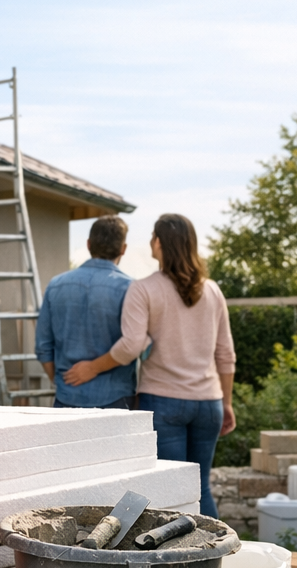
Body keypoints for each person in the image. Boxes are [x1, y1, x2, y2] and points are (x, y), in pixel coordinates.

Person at [63, 213, 236, 518]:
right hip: (209, 404)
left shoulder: (143, 289)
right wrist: (228, 402)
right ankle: (215, 559)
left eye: (152, 237)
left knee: (171, 491)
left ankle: (175, 562)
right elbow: (226, 354)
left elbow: (130, 346)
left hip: (165, 403)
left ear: (159, 243)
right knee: (201, 488)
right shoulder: (212, 291)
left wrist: (92, 367)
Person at [35, 215, 136, 408]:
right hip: (115, 399)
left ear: (89, 244)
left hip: (66, 397)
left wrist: (62, 381)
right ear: (123, 249)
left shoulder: (55, 285)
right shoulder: (130, 289)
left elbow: (43, 347)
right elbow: (135, 345)